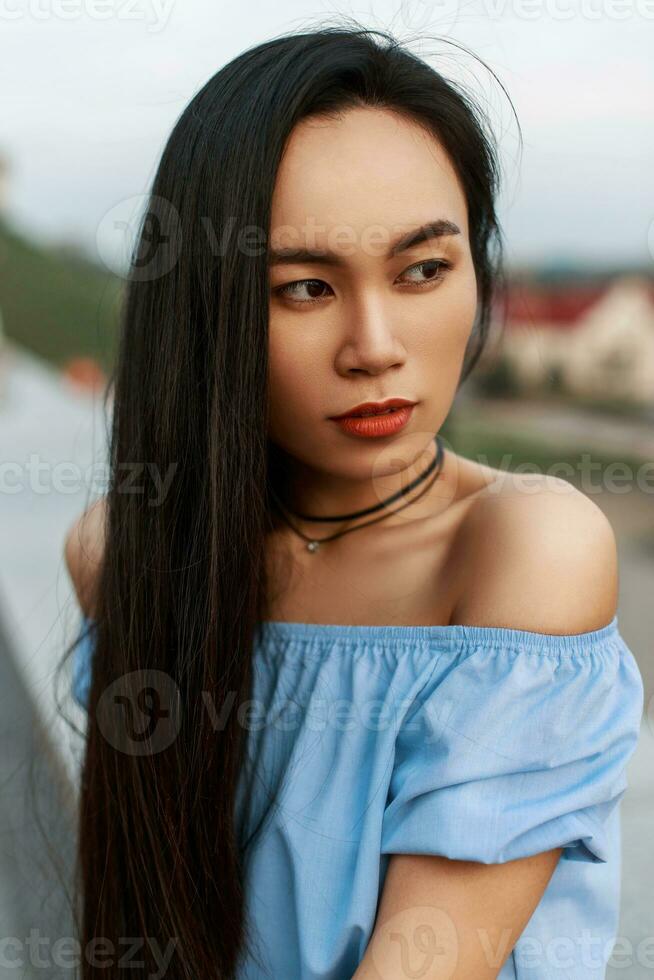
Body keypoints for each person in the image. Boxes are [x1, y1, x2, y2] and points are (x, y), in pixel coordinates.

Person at [64, 24, 644, 980]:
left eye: (423, 269)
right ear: (208, 308)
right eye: (303, 287)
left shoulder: (527, 548)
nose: (374, 345)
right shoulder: (128, 554)